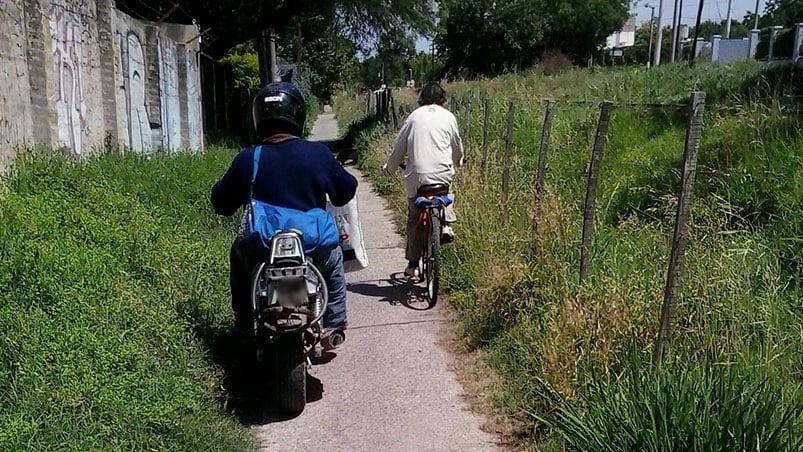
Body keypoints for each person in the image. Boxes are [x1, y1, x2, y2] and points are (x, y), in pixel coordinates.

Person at [210, 81, 358, 339]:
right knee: (334, 258)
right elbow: (345, 191)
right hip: (312, 247)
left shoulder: (249, 158)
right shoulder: (317, 154)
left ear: (259, 117)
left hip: (262, 248)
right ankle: (334, 323)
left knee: (238, 254)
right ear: (297, 115)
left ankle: (244, 321)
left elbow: (221, 204)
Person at [383, 82, 464, 279]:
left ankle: (412, 263)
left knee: (414, 216)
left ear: (421, 98)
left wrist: (389, 168)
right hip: (442, 175)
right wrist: (458, 162)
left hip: (417, 179)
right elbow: (457, 147)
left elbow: (398, 149)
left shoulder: (413, 118)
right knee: (447, 189)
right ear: (442, 98)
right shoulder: (449, 117)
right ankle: (446, 224)